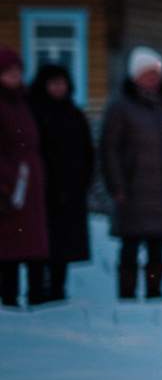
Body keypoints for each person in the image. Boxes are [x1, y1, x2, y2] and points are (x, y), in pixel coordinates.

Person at [100, 48, 162, 300]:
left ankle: (154, 291)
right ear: (135, 76)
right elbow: (110, 149)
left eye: (156, 73)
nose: (153, 78)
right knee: (130, 245)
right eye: (147, 73)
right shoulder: (122, 108)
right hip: (133, 191)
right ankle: (127, 293)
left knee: (157, 246)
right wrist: (116, 185)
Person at [25, 63, 95, 304]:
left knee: (64, 245)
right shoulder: (33, 112)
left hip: (71, 189)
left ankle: (57, 290)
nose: (58, 88)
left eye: (62, 83)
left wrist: (82, 180)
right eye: (53, 83)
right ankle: (36, 292)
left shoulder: (73, 114)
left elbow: (86, 151)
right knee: (39, 243)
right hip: (41, 189)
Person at [0, 47, 48, 308]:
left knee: (32, 245)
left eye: (17, 71)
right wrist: (9, 179)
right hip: (11, 183)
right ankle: (8, 300)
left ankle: (37, 298)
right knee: (10, 248)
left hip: (30, 180)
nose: (13, 76)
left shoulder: (22, 102)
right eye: (7, 72)